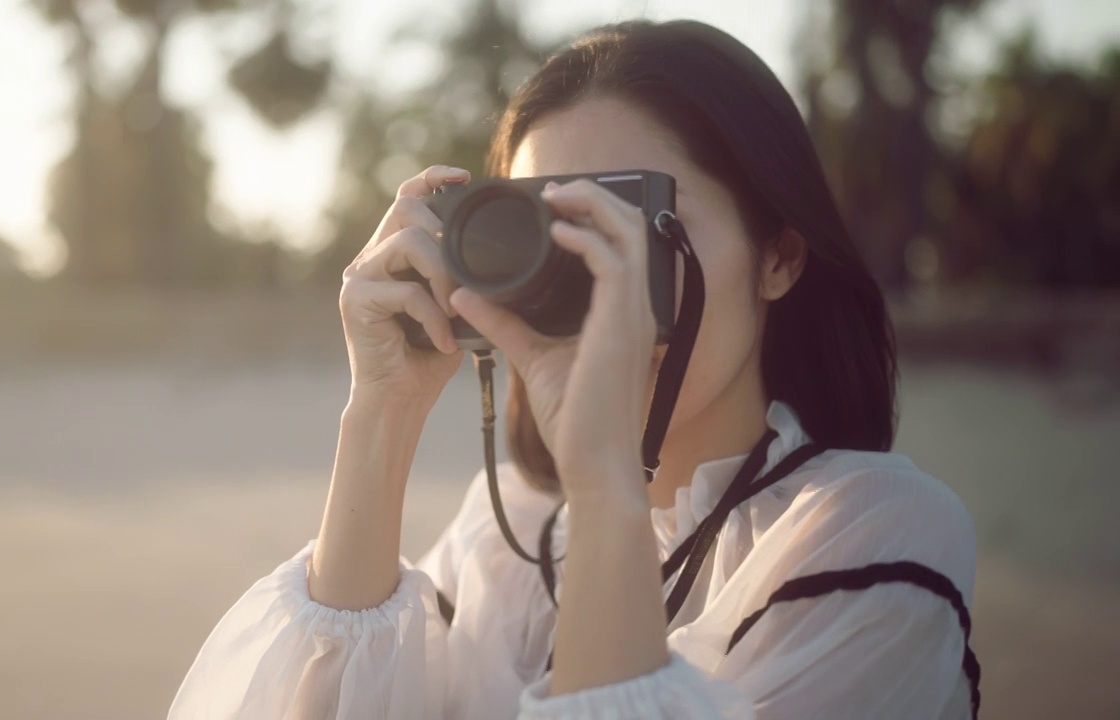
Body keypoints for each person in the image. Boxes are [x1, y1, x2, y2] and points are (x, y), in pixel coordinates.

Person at [168, 19, 978, 720]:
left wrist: (604, 479)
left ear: (778, 256)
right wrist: (382, 413)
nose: (592, 278)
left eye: (629, 230)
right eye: (553, 233)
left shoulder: (873, 534)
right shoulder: (510, 536)